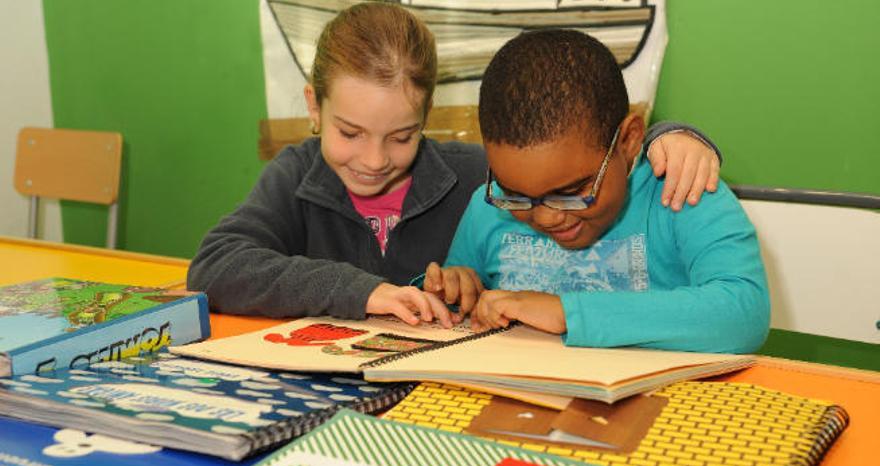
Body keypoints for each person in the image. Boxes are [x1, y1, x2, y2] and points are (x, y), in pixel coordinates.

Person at [187, 3, 725, 328]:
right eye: (349, 133)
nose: (374, 161)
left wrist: (670, 137)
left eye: (402, 136)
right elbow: (216, 265)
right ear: (313, 106)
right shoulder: (298, 174)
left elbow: (566, 161)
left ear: (427, 116)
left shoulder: (476, 179)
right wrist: (361, 293)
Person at [425, 29, 769, 353]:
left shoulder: (682, 190)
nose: (546, 216)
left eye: (574, 190)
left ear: (629, 140)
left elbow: (743, 314)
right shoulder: (488, 207)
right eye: (515, 193)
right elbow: (462, 301)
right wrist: (456, 288)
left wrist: (566, 312)